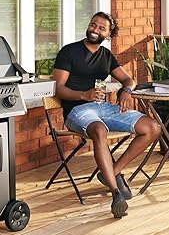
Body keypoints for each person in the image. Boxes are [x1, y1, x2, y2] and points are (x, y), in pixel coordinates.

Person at [53, 11, 161, 218]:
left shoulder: (106, 56)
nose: (95, 30)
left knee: (152, 128)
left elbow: (129, 80)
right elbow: (58, 89)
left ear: (109, 34)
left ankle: (112, 171)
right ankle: (116, 193)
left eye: (101, 28)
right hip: (76, 110)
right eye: (93, 25)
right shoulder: (69, 52)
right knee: (100, 131)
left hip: (103, 107)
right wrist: (84, 95)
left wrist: (126, 91)